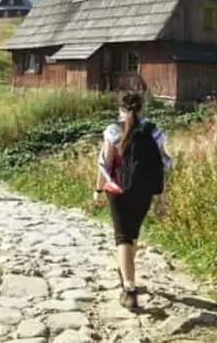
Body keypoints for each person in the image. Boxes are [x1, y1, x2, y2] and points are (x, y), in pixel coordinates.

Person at [93, 91, 172, 310]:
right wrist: (162, 199)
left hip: (118, 191)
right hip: (145, 190)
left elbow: (105, 165)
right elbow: (162, 165)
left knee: (122, 237)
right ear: (141, 108)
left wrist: (98, 190)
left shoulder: (113, 131)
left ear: (119, 108)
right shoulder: (154, 131)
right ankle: (127, 273)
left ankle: (129, 289)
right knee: (132, 235)